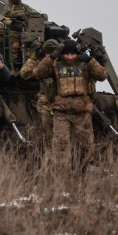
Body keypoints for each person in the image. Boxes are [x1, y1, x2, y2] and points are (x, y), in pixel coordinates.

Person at [33, 39, 108, 169]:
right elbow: (37, 73)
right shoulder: (56, 64)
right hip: (61, 113)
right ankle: (62, 175)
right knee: (61, 145)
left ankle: (85, 171)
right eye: (66, 54)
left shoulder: (85, 64)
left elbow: (103, 75)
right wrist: (50, 58)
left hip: (82, 112)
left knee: (86, 145)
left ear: (77, 53)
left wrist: (91, 61)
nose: (69, 57)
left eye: (72, 54)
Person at [20, 39, 60, 153]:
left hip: (62, 105)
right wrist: (34, 57)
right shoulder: (41, 64)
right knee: (47, 137)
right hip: (46, 105)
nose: (49, 55)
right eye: (46, 52)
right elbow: (25, 74)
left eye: (52, 52)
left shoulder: (63, 63)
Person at [2, 0, 37, 64]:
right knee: (15, 46)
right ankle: (13, 62)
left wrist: (35, 15)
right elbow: (7, 13)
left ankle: (27, 62)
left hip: (23, 30)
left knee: (26, 46)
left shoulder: (24, 6)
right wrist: (16, 16)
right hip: (13, 30)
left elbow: (32, 11)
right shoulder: (8, 6)